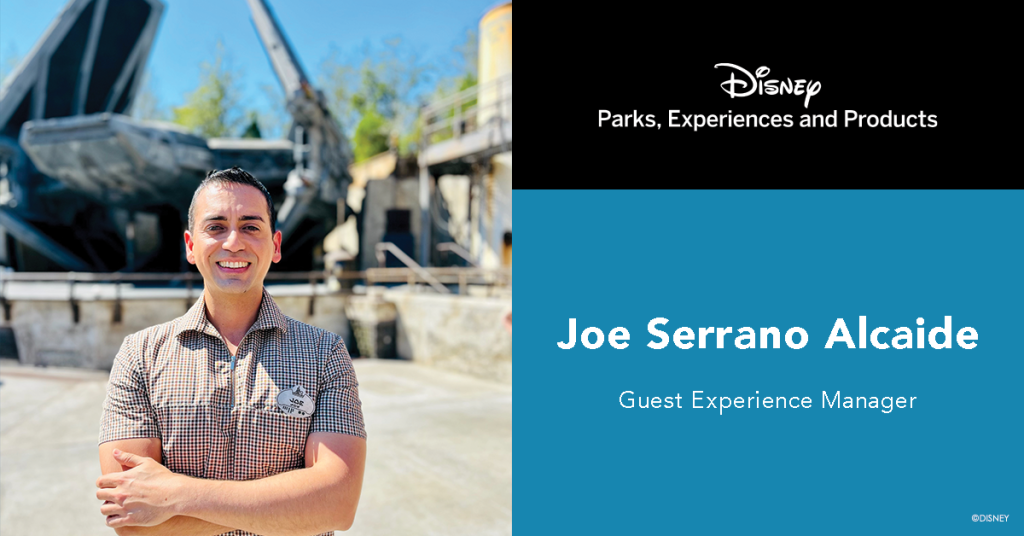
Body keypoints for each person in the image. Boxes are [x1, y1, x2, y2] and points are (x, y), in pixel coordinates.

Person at [96, 167, 366, 536]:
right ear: (191, 246)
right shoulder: (140, 355)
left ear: (276, 245)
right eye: (216, 227)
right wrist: (287, 506)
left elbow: (336, 505)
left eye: (251, 227)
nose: (234, 242)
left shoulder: (325, 354)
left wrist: (176, 496)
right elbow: (130, 518)